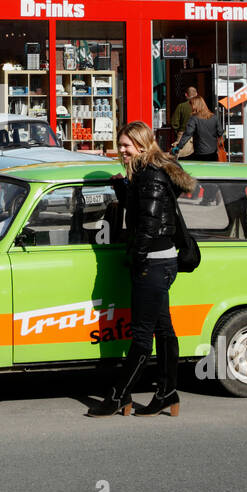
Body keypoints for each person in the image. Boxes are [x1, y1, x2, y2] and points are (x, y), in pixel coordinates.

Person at [88, 121, 197, 417]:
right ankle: (167, 392)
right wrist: (122, 187)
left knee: (141, 335)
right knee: (163, 330)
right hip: (161, 262)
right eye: (120, 145)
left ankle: (118, 395)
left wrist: (137, 259)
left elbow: (147, 225)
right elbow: (142, 211)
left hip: (153, 263)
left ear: (141, 145)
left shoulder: (150, 176)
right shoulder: (145, 174)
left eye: (127, 146)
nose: (122, 151)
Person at [174, 94, 223, 162]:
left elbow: (188, 134)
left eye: (191, 105)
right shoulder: (214, 117)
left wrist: (178, 147)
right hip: (213, 153)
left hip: (200, 153)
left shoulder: (194, 119)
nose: (191, 107)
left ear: (195, 106)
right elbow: (220, 132)